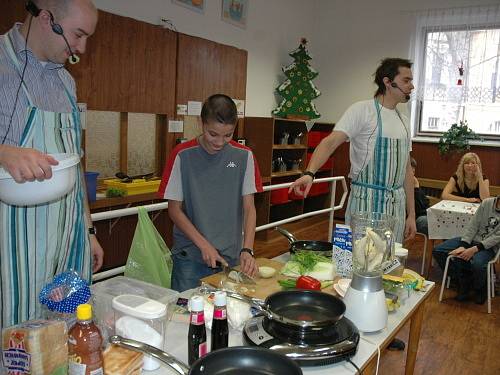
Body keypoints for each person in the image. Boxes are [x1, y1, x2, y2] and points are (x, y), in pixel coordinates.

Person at [0, 0, 103, 333]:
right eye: (78, 34)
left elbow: (75, 159)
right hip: (14, 245)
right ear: (46, 19)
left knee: (64, 332)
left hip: (66, 239)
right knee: (18, 338)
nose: (82, 48)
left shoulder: (66, 82)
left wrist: (88, 231)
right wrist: (2, 152)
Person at [290, 57, 417, 244]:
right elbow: (330, 142)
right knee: (361, 261)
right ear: (388, 82)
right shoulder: (362, 111)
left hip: (396, 207)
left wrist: (411, 215)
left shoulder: (404, 120)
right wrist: (310, 173)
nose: (411, 86)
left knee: (390, 264)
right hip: (366, 203)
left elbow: (406, 170)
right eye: (406, 81)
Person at [158, 94, 263, 292]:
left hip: (230, 256)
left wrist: (247, 249)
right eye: (213, 134)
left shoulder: (244, 156)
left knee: (226, 315)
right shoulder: (182, 155)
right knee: (185, 315)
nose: (219, 142)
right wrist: (203, 245)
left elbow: (249, 208)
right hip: (190, 256)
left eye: (228, 135)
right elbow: (174, 210)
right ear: (201, 123)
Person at [433, 196, 500, 304]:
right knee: (439, 251)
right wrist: (463, 245)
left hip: (489, 247)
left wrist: (474, 249)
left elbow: (496, 238)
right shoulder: (487, 203)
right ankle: (463, 282)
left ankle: (480, 288)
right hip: (472, 240)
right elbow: (473, 224)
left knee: (478, 263)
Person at [411, 157, 429, 235]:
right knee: (425, 222)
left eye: (413, 172)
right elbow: (418, 209)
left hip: (422, 214)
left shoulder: (415, 185)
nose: (412, 175)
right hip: (415, 218)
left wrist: (417, 188)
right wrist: (416, 188)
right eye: (410, 172)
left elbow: (426, 203)